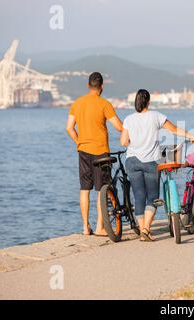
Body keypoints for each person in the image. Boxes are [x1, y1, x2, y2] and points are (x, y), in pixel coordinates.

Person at [120, 89, 194, 242]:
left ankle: (143, 231)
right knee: (153, 197)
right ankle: (146, 230)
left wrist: (136, 142)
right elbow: (174, 129)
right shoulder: (156, 116)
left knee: (139, 196)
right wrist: (190, 136)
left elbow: (123, 142)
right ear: (148, 101)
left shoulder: (128, 119)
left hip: (132, 161)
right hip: (151, 162)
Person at [65, 72, 123, 236]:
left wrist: (79, 142)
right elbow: (118, 127)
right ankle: (99, 228)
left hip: (83, 151)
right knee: (101, 189)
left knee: (84, 189)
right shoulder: (104, 104)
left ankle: (85, 228)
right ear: (102, 86)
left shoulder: (77, 103)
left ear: (88, 85)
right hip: (100, 152)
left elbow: (69, 127)